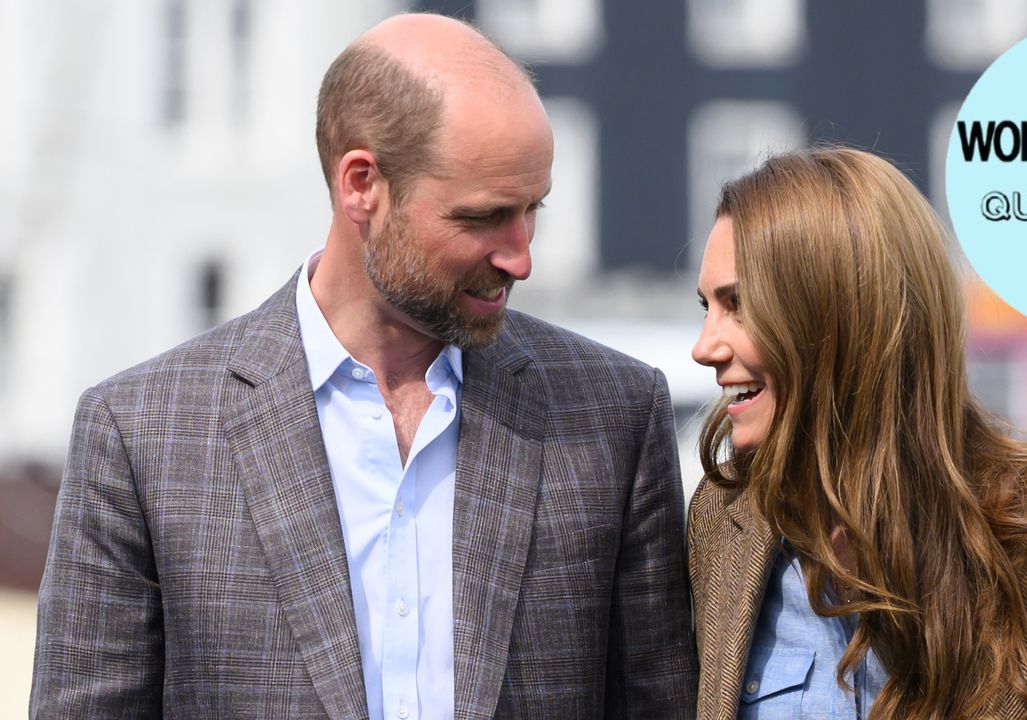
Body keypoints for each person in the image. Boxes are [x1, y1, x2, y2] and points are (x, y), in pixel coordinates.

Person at [31, 13, 696, 720]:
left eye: (533, 210)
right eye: (483, 217)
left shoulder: (611, 413)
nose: (520, 256)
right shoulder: (143, 434)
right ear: (361, 185)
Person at [687, 146, 1027, 719]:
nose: (704, 346)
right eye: (706, 307)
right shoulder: (725, 517)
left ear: (839, 316)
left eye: (738, 305)